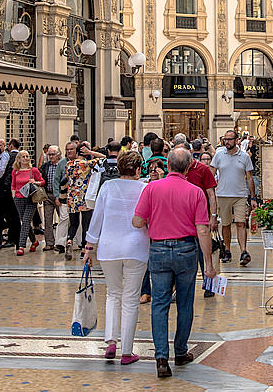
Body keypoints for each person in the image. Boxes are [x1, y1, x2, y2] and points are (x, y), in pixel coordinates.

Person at [131, 148, 216, 379]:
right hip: (186, 250)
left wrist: (154, 221)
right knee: (186, 302)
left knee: (159, 304)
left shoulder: (151, 188)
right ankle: (180, 351)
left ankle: (161, 357)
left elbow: (137, 221)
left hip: (158, 250)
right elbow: (203, 230)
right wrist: (208, 264)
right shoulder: (196, 192)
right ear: (189, 167)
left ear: (167, 166)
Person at [82, 151, 148, 366]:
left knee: (113, 294)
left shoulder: (108, 187)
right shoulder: (145, 188)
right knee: (130, 298)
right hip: (136, 248)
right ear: (138, 169)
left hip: (108, 248)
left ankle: (111, 341)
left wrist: (89, 246)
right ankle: (127, 351)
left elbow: (97, 218)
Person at [209, 129, 255, 267]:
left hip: (240, 194)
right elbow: (211, 174)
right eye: (225, 139)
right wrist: (211, 192)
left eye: (229, 139)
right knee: (226, 224)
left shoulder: (244, 156)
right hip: (222, 194)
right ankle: (227, 250)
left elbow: (250, 177)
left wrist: (252, 197)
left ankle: (243, 251)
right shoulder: (218, 155)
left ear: (237, 140)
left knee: (241, 223)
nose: (226, 142)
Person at [187, 150, 219, 297]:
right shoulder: (177, 169)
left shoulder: (203, 169)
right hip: (184, 220)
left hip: (202, 218)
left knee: (205, 251)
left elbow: (211, 194)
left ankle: (209, 284)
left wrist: (213, 216)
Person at [9, 151, 44, 255]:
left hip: (30, 198)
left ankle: (21, 246)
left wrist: (35, 182)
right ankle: (34, 241)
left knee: (25, 221)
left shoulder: (34, 170)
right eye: (23, 157)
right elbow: (13, 184)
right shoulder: (15, 171)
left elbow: (42, 181)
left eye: (27, 156)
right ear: (18, 159)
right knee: (25, 222)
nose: (25, 158)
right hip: (19, 198)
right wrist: (14, 194)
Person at [64, 146, 94, 260]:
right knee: (85, 224)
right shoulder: (86, 164)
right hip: (84, 198)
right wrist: (91, 152)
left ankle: (69, 240)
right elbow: (104, 158)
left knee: (73, 224)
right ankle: (83, 248)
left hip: (72, 198)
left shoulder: (69, 165)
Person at [39, 146, 63, 251]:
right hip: (48, 195)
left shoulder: (63, 165)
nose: (51, 157)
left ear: (58, 154)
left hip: (60, 196)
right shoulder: (45, 166)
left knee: (62, 220)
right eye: (49, 154)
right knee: (48, 220)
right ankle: (49, 242)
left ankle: (61, 242)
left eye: (53, 154)